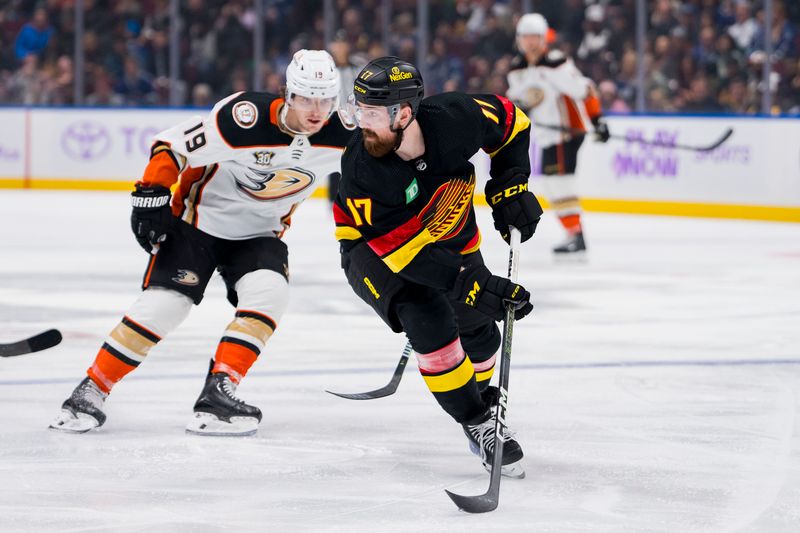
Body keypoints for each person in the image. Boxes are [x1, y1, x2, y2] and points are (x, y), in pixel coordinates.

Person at [50, 50, 351, 436]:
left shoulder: (344, 135)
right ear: (288, 94)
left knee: (270, 295)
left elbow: (393, 167)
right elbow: (173, 144)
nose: (316, 110)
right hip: (196, 225)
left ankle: (219, 391)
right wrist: (151, 193)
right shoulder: (242, 118)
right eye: (307, 98)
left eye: (325, 99)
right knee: (165, 306)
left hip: (259, 235)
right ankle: (90, 391)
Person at [334, 57, 542, 477]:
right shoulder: (363, 167)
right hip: (373, 250)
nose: (362, 123)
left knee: (482, 338)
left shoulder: (455, 118)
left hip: (450, 237)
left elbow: (512, 121)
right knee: (426, 313)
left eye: (372, 113)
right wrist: (469, 282)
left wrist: (510, 183)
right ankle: (477, 421)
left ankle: (478, 394)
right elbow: (404, 256)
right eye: (359, 111)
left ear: (405, 113)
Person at [507, 13, 610, 256]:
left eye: (535, 37)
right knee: (553, 186)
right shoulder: (517, 69)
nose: (530, 43)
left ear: (544, 39)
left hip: (566, 133)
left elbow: (585, 89)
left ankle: (576, 235)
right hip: (546, 135)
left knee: (560, 183)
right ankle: (573, 234)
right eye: (525, 37)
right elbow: (519, 101)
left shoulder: (555, 62)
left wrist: (597, 120)